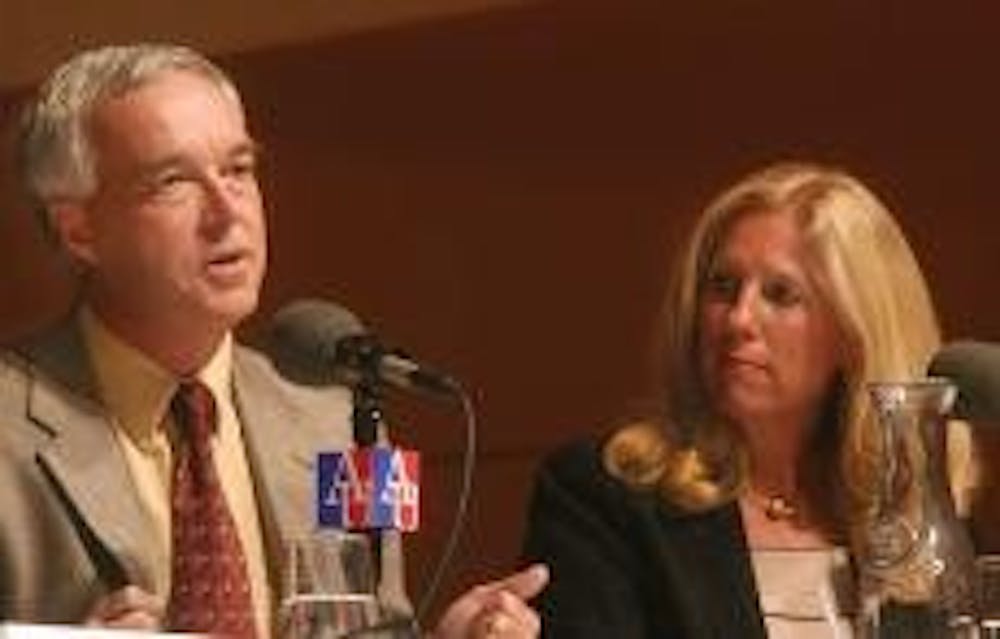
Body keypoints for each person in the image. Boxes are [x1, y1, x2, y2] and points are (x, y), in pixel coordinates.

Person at [0, 43, 546, 639]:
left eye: (238, 169)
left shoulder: (342, 419)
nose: (226, 211)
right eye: (173, 181)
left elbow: (381, 626)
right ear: (77, 228)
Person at [521, 162, 975, 637]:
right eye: (722, 287)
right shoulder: (605, 498)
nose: (738, 319)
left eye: (780, 295)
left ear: (853, 333)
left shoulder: (917, 518)